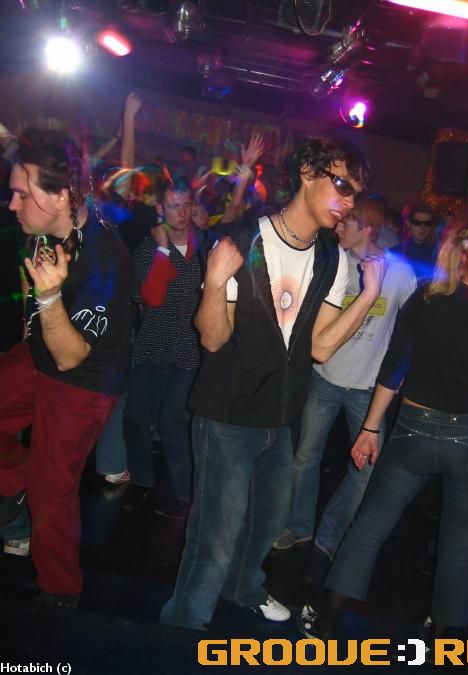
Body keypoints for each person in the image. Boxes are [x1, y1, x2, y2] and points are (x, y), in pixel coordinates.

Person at [159, 137, 388, 631]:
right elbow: (213, 338)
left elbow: (321, 347)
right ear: (308, 173)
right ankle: (184, 624)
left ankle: (244, 589)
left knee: (266, 524)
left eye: (354, 192)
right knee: (216, 537)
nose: (348, 201)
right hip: (227, 413)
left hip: (281, 416)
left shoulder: (331, 258)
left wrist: (368, 295)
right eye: (342, 185)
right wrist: (215, 283)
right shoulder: (243, 241)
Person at [299, 216, 468, 646]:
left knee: (371, 525)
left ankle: (326, 624)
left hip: (415, 429)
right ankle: (442, 642)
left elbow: (394, 369)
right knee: (459, 541)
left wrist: (370, 427)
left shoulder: (427, 300)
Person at [0, 128, 131, 606]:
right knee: (34, 479)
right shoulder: (57, 214)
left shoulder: (104, 258)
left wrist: (50, 295)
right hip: (40, 352)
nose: (12, 204)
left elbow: (71, 356)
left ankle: (60, 593)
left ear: (59, 198)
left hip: (83, 381)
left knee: (52, 490)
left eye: (21, 194)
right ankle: (17, 483)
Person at [273, 198, 416, 558]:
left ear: (366, 228)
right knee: (305, 457)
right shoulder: (333, 262)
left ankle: (331, 534)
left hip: (368, 390)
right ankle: (298, 527)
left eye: (345, 223)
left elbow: (411, 332)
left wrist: (401, 376)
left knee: (366, 470)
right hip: (324, 379)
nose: (337, 228)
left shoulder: (400, 273)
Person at [121, 175, 211, 517]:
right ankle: (142, 481)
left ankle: (185, 496)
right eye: (174, 206)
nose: (182, 213)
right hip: (153, 343)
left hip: (189, 347)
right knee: (136, 417)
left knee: (173, 421)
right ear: (160, 208)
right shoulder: (148, 249)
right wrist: (161, 251)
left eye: (187, 205)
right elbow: (150, 298)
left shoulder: (205, 245)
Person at [390, 201, 437, 286]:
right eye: (417, 223)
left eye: (427, 223)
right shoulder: (395, 253)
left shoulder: (435, 253)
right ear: (408, 224)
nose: (422, 227)